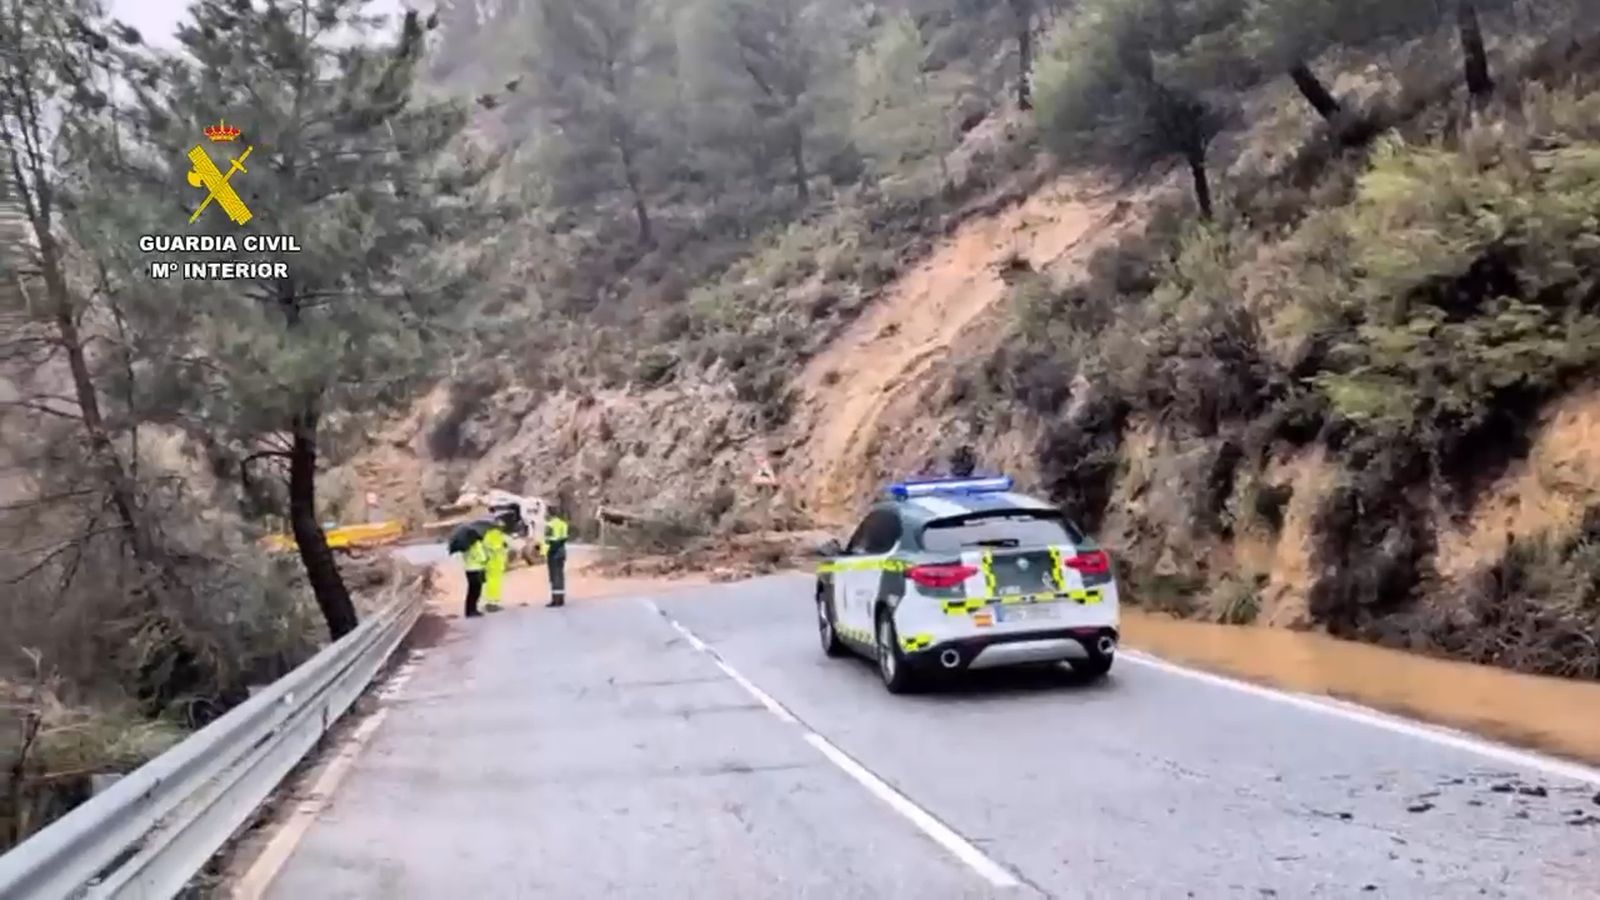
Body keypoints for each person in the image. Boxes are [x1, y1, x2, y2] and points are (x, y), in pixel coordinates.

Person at [481, 512, 512, 613]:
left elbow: (485, 546)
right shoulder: (497, 535)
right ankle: (493, 603)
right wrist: (502, 547)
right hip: (496, 562)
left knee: (491, 583)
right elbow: (502, 547)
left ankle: (491, 602)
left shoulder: (487, 535)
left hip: (490, 562)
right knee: (495, 583)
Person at [540, 507, 571, 608]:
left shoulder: (549, 525)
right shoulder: (563, 524)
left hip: (553, 553)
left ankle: (555, 600)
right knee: (560, 576)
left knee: (554, 577)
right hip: (561, 552)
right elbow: (564, 538)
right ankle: (561, 598)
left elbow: (547, 541)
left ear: (550, 514)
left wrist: (543, 554)